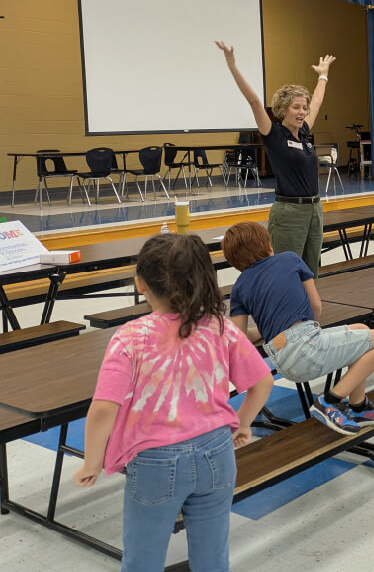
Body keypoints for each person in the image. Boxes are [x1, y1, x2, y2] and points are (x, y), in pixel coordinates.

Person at [73, 234, 273, 572]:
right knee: (212, 556)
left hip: (155, 462)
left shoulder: (129, 337)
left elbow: (104, 408)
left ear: (140, 283)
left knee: (143, 558)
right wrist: (242, 423)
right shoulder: (219, 325)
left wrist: (92, 462)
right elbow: (262, 381)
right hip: (217, 452)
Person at [222, 221, 374, 435]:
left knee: (360, 329)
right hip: (307, 348)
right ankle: (329, 401)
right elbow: (316, 307)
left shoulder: (239, 287)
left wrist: (262, 330)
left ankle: (358, 405)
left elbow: (239, 336)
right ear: (268, 245)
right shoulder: (290, 259)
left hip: (280, 358)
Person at [216, 40, 335, 277]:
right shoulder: (274, 135)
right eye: (296, 107)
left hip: (314, 209)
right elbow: (254, 102)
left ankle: (308, 313)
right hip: (289, 212)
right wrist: (232, 65)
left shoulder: (304, 133)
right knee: (287, 272)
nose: (302, 112)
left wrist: (323, 76)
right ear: (283, 109)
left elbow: (318, 102)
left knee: (311, 272)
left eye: (304, 107)